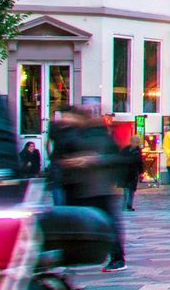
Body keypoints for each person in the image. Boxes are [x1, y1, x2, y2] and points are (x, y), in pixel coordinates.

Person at [51, 107, 125, 272]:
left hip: (99, 187)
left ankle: (117, 257)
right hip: (76, 186)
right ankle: (74, 256)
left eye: (69, 117)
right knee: (72, 222)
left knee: (108, 222)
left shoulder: (97, 133)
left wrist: (92, 160)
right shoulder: (70, 133)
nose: (65, 120)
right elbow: (58, 155)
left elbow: (114, 157)